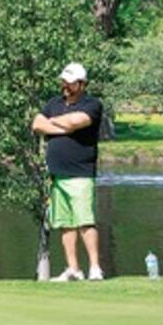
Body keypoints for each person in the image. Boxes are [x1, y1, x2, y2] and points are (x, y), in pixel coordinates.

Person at [31, 63, 104, 282]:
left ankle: (95, 268)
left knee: (85, 221)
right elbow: (36, 124)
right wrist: (61, 126)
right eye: (64, 81)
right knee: (65, 223)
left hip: (80, 173)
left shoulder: (92, 104)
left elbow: (76, 121)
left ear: (82, 84)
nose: (65, 85)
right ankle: (73, 269)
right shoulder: (54, 103)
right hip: (57, 174)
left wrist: (53, 122)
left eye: (70, 82)